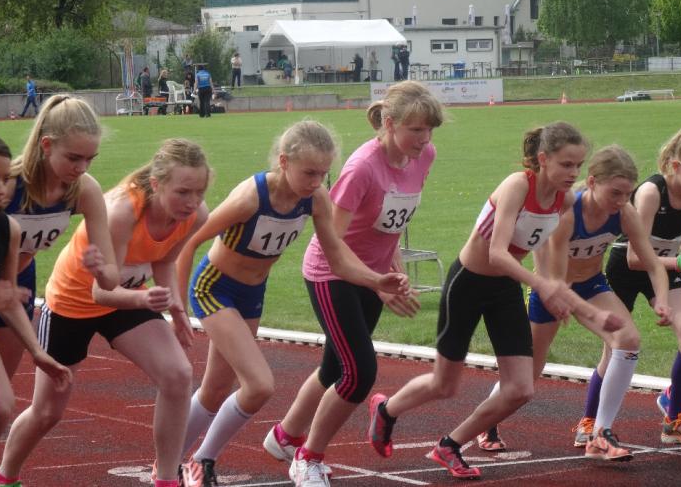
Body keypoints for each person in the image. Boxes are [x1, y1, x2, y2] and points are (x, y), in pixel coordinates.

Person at [367, 122, 624, 479]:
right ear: (543, 159)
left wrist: (587, 311)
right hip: (468, 283)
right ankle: (386, 410)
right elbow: (498, 253)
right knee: (445, 384)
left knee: (520, 389)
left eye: (578, 165)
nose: (573, 173)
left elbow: (551, 269)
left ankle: (450, 445)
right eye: (566, 164)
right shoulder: (518, 185)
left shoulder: (564, 201)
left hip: (505, 288)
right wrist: (542, 286)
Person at [176, 120, 410, 487]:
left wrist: (376, 280)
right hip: (214, 288)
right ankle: (192, 462)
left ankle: (182, 462)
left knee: (216, 389)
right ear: (284, 162)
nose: (317, 181)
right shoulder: (251, 197)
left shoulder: (315, 199)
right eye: (309, 172)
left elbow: (337, 257)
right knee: (258, 386)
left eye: (323, 173)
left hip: (252, 294)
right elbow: (189, 243)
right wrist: (177, 309)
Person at [0, 139, 210, 487]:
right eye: (183, 192)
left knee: (178, 374)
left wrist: (177, 309)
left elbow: (164, 259)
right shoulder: (122, 211)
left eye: (199, 192)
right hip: (74, 301)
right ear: (156, 184)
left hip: (128, 298)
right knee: (47, 412)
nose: (192, 202)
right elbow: (101, 291)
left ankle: (167, 479)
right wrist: (146, 299)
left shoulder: (196, 215)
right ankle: (5, 478)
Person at [262, 81, 443, 487]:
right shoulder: (362, 168)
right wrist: (378, 283)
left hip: (375, 275)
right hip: (333, 273)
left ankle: (285, 437)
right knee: (359, 373)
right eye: (416, 129)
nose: (425, 138)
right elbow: (334, 241)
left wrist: (393, 273)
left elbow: (392, 223)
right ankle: (308, 457)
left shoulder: (424, 156)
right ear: (390, 123)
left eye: (430, 129)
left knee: (334, 367)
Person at [478, 145, 673, 460]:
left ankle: (600, 433)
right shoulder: (567, 215)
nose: (621, 200)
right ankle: (487, 422)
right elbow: (552, 275)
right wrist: (563, 302)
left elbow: (652, 263)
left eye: (628, 194)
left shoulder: (625, 213)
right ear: (593, 182)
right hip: (553, 289)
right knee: (528, 374)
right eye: (615, 193)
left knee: (628, 339)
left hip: (591, 285)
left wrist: (662, 300)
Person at [600, 123, 681, 448]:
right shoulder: (651, 192)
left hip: (665, 265)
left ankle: (675, 419)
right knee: (615, 348)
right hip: (627, 266)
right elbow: (636, 258)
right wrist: (680, 262)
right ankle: (590, 421)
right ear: (676, 166)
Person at [0, 95, 115, 388]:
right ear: (47, 145)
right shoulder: (6, 186)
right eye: (74, 158)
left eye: (90, 159)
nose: (82, 168)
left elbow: (111, 278)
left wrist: (100, 269)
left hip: (18, 285)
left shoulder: (84, 191)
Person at [0, 133, 72, 467]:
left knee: (1, 407)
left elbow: (7, 298)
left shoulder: (7, 229)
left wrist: (38, 353)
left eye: (4, 179)